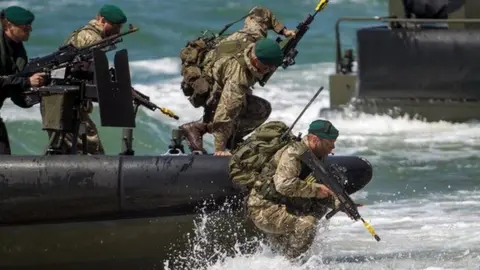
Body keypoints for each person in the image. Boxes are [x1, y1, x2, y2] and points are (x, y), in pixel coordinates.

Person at [179, 6, 296, 155]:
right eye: (266, 67)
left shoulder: (255, 35)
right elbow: (225, 113)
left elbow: (260, 13)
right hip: (209, 85)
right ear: (255, 59)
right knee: (259, 109)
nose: (268, 70)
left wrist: (284, 31)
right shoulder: (238, 77)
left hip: (212, 64)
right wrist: (220, 149)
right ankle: (199, 128)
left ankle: (226, 136)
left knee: (239, 103)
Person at [39, 4, 127, 155]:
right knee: (91, 149)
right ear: (102, 20)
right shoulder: (90, 37)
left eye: (120, 27)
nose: (118, 30)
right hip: (62, 101)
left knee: (67, 149)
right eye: (115, 26)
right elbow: (91, 69)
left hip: (66, 99)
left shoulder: (94, 37)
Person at [246, 119, 340, 259]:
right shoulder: (294, 153)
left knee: (318, 208)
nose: (332, 148)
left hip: (286, 205)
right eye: (328, 143)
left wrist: (339, 203)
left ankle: (281, 259)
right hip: (264, 207)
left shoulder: (318, 156)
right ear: (314, 140)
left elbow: (322, 186)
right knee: (308, 224)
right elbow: (284, 184)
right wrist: (316, 190)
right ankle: (291, 264)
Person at [0, 6, 46, 154]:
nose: (29, 30)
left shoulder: (17, 48)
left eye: (30, 26)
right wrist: (27, 82)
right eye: (25, 27)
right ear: (8, 25)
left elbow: (16, 84)